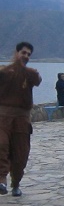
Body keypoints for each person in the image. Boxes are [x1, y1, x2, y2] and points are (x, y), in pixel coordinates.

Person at [0, 42, 42, 196]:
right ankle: (1, 179)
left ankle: (16, 183)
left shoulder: (30, 74)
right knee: (1, 145)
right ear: (16, 53)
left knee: (21, 153)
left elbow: (38, 80)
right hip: (3, 117)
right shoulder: (3, 72)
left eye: (28, 54)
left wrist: (31, 73)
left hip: (22, 118)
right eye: (23, 53)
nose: (26, 56)